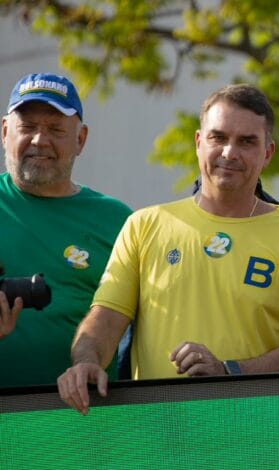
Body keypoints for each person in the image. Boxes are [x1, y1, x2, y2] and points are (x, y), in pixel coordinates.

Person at [58, 84, 279, 414]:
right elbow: (105, 319)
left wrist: (229, 372)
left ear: (268, 154)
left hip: (257, 434)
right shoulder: (145, 225)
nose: (230, 152)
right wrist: (87, 361)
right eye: (219, 137)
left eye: (247, 142)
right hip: (158, 433)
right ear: (199, 143)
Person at [0, 73, 132, 388]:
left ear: (80, 139)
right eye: (27, 127)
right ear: (5, 132)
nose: (39, 140)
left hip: (87, 420)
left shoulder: (119, 221)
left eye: (56, 129)